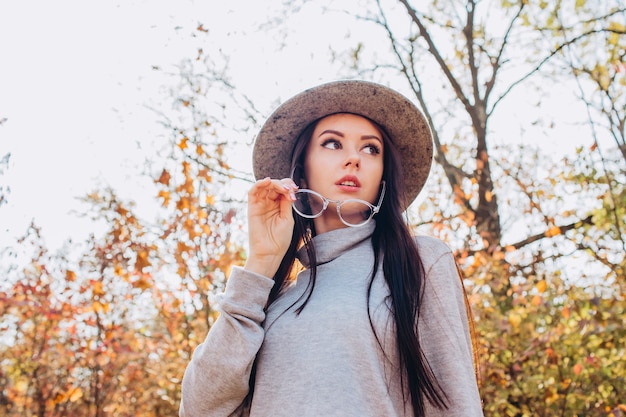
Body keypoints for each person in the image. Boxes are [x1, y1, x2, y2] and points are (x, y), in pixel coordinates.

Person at [179, 80, 483, 417]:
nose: (353, 158)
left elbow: (457, 404)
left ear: (384, 177)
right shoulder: (271, 303)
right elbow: (199, 408)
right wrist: (260, 265)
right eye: (333, 143)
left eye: (370, 149)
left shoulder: (419, 261)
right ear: (301, 174)